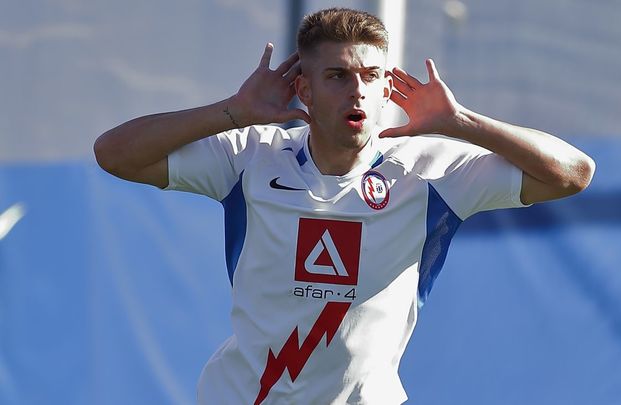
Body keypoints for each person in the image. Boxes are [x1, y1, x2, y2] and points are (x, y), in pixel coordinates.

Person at [94, 7, 595, 405]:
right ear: (304, 89)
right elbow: (115, 153)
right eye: (337, 75)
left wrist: (463, 122)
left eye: (371, 76)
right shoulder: (250, 155)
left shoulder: (432, 169)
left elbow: (573, 173)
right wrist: (232, 112)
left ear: (386, 88)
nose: (357, 90)